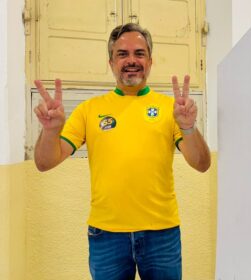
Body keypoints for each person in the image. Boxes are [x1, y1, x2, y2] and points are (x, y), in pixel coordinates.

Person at [33, 23, 211, 280]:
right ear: (111, 62)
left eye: (139, 53)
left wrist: (189, 127)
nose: (131, 60)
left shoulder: (171, 109)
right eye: (122, 54)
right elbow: (44, 162)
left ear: (150, 61)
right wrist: (51, 131)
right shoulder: (88, 110)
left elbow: (201, 163)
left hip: (161, 234)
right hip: (106, 236)